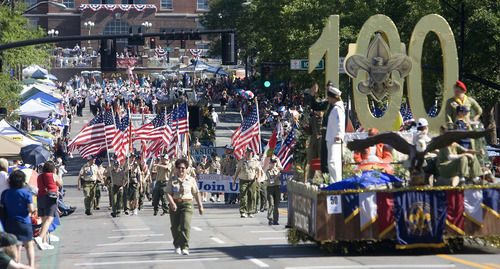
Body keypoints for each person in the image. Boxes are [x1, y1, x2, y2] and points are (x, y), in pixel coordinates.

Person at [165, 158, 204, 256]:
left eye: (183, 168)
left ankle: (185, 247)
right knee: (175, 227)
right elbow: (168, 193)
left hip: (187, 204)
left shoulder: (191, 179)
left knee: (185, 225)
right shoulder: (172, 180)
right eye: (179, 168)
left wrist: (200, 206)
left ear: (186, 169)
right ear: (176, 169)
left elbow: (195, 193)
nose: (181, 170)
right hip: (175, 204)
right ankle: (177, 245)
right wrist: (172, 203)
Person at [310, 83, 345, 183]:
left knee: (333, 161)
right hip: (328, 134)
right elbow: (315, 106)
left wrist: (339, 134)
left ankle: (334, 181)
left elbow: (340, 122)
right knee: (327, 160)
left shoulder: (337, 107)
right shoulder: (331, 104)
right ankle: (329, 180)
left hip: (334, 136)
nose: (327, 98)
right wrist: (313, 95)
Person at [1, 171, 35, 266]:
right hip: (24, 222)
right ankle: (31, 266)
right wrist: (33, 210)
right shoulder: (26, 193)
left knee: (16, 246)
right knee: (29, 245)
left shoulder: (5, 193)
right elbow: (31, 209)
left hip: (10, 222)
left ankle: (17, 265)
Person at [35, 161, 63, 251]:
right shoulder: (53, 176)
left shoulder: (39, 176)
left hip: (40, 198)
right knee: (49, 219)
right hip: (50, 198)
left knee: (43, 220)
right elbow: (60, 183)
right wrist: (55, 174)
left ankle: (44, 242)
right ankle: (40, 238)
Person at [233, 148, 261, 218]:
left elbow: (259, 170)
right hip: (243, 180)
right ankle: (243, 211)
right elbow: (237, 171)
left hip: (252, 181)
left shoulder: (255, 162)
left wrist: (259, 178)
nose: (249, 154)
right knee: (243, 196)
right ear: (245, 153)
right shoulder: (242, 161)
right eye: (248, 152)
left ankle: (250, 211)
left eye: (251, 152)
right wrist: (234, 180)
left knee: (251, 196)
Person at [265, 158, 282, 226]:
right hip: (270, 188)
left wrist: (280, 176)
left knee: (276, 205)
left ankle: (276, 219)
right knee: (271, 203)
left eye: (275, 162)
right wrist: (276, 177)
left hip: (277, 188)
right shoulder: (268, 171)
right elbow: (270, 181)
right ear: (270, 164)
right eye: (273, 162)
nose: (274, 164)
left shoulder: (278, 170)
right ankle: (270, 218)